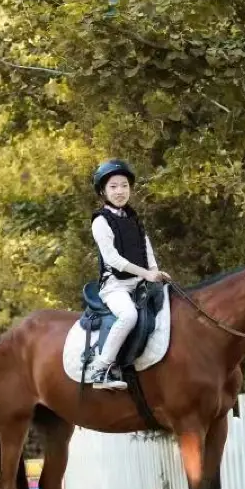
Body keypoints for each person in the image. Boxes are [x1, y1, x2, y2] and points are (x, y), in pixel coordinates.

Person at [88, 159, 171, 390]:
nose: (120, 191)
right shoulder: (101, 221)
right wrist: (146, 273)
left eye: (124, 185)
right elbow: (114, 260)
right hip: (115, 286)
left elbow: (147, 250)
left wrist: (155, 271)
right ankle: (100, 368)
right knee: (128, 316)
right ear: (103, 191)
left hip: (140, 282)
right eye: (113, 186)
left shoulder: (134, 219)